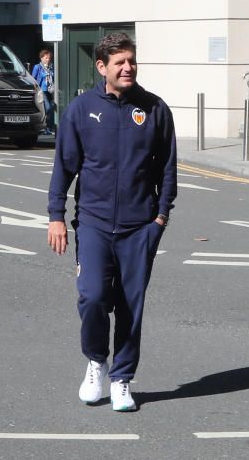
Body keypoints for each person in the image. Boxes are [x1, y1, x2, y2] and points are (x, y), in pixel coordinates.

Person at [47, 32, 177, 412]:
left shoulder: (153, 109)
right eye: (119, 62)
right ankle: (96, 361)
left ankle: (121, 380)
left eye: (131, 60)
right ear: (101, 67)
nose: (128, 67)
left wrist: (160, 217)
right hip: (94, 223)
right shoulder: (81, 109)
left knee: (130, 306)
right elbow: (64, 167)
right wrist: (56, 216)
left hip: (140, 227)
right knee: (92, 297)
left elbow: (167, 168)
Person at [31, 49, 56, 134]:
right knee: (47, 107)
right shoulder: (37, 67)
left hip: (51, 90)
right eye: (46, 58)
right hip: (42, 90)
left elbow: (55, 78)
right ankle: (44, 127)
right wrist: (42, 76)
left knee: (53, 107)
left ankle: (49, 127)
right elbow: (33, 80)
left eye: (49, 58)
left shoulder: (52, 67)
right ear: (41, 58)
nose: (48, 60)